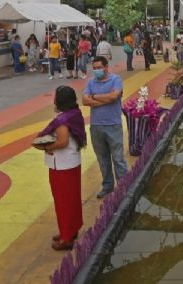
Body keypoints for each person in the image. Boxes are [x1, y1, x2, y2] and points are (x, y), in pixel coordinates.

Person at [35, 86, 87, 250]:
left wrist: (47, 147)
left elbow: (63, 142)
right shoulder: (74, 113)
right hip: (71, 162)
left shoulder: (63, 120)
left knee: (63, 201)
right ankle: (71, 229)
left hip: (62, 165)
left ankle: (66, 238)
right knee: (72, 199)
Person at [82, 56, 129, 198]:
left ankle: (123, 187)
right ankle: (108, 186)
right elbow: (85, 101)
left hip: (113, 125)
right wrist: (105, 98)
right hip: (96, 126)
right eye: (94, 68)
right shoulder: (91, 82)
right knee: (102, 159)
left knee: (118, 158)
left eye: (99, 67)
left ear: (106, 67)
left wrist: (94, 97)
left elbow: (114, 97)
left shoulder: (115, 80)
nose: (96, 70)